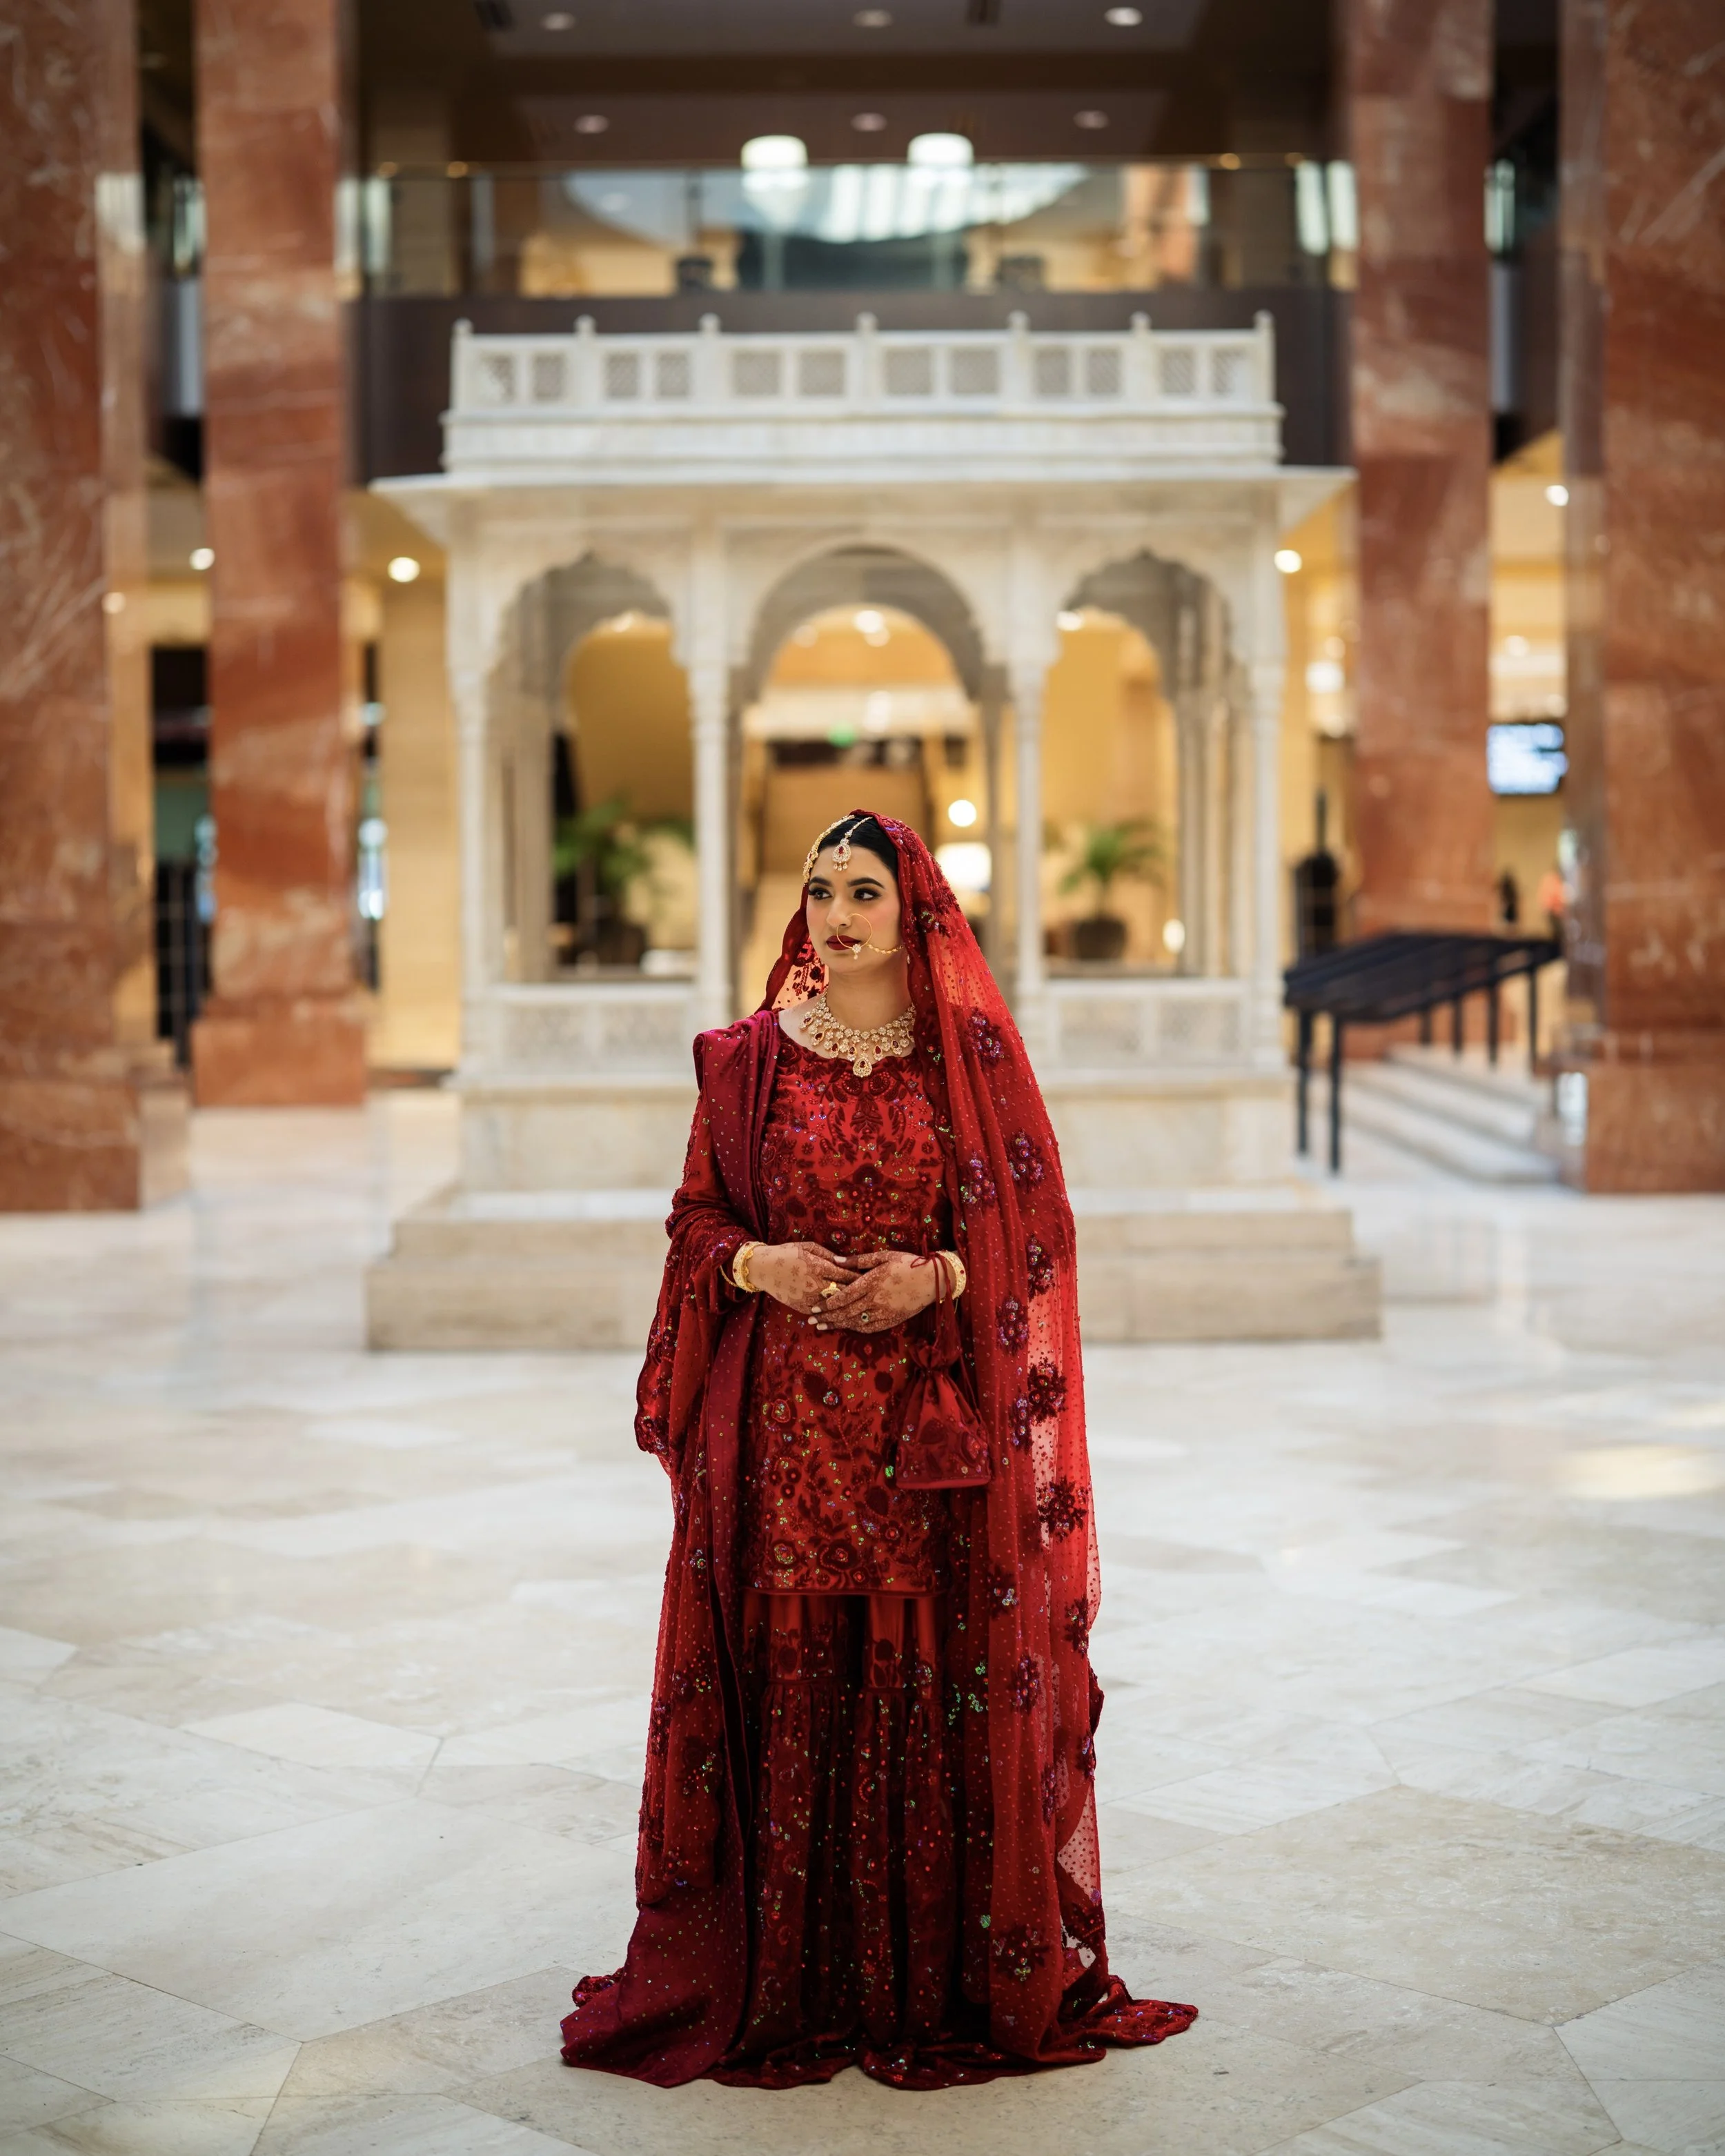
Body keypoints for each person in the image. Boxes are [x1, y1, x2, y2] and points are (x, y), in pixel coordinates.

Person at [560, 809, 1197, 2090]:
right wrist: (760, 1262)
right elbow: (693, 1224)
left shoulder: (963, 1063)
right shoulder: (746, 1062)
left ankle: (927, 1974)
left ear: (915, 916)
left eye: (864, 892)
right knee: (798, 1673)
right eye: (818, 890)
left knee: (923, 1675)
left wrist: (938, 1278)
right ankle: (795, 1976)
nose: (838, 914)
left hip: (928, 1444)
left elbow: (1035, 1237)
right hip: (784, 1437)